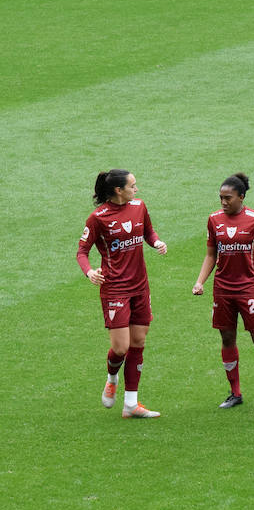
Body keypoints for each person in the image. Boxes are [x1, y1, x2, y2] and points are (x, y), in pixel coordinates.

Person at [77, 169, 167, 419]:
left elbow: (148, 232)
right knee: (121, 347)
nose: (136, 189)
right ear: (118, 190)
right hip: (115, 287)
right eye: (132, 185)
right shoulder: (98, 218)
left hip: (140, 286)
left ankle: (131, 404)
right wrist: (89, 272)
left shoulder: (139, 206)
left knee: (138, 342)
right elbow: (81, 251)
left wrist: (157, 242)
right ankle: (112, 377)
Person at [192, 173, 254, 410]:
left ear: (241, 197)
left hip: (249, 289)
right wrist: (200, 281)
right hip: (222, 290)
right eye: (221, 198)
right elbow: (211, 255)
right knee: (227, 338)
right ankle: (235, 393)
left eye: (228, 198)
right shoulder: (214, 220)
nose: (223, 202)